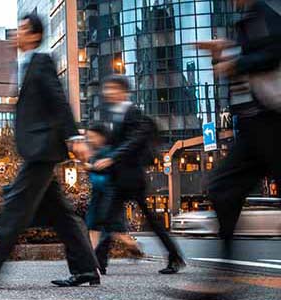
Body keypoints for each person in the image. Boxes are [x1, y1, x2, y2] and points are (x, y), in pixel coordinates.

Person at [0, 13, 100, 287]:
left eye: (23, 29)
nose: (17, 33)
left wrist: (73, 136)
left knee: (16, 208)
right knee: (61, 215)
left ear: (35, 35)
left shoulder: (41, 61)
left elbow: (58, 100)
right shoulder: (23, 65)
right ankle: (86, 269)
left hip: (43, 149)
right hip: (37, 148)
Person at [169, 0, 281, 297]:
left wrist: (234, 61)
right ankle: (223, 277)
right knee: (222, 189)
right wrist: (227, 51)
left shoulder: (265, 13)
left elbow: (273, 53)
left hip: (273, 123)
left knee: (224, 188)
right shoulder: (246, 21)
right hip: (253, 128)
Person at [93, 75, 185, 275]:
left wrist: (112, 158)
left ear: (123, 91)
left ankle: (175, 257)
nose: (108, 92)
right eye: (107, 88)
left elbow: (134, 140)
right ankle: (99, 262)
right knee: (107, 218)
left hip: (132, 177)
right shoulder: (115, 114)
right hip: (119, 177)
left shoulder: (133, 112)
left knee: (149, 220)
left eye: (112, 88)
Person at [83, 123, 139, 276]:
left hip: (109, 195)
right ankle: (92, 264)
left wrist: (91, 167)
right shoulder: (96, 152)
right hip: (98, 195)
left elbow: (107, 170)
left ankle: (132, 245)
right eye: (89, 137)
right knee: (95, 228)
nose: (90, 140)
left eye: (92, 137)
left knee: (109, 229)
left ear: (101, 136)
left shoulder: (110, 151)